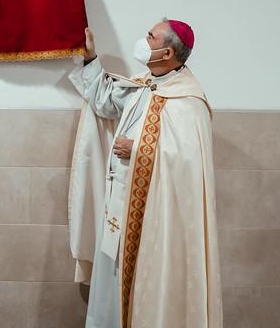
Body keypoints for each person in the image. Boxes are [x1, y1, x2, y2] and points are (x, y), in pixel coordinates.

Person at [69, 19, 222, 328]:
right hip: (120, 212)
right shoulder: (145, 84)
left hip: (155, 221)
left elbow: (186, 164)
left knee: (144, 290)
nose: (144, 39)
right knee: (112, 289)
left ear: (167, 53)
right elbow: (106, 102)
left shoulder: (188, 102)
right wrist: (90, 58)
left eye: (151, 37)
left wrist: (137, 151)